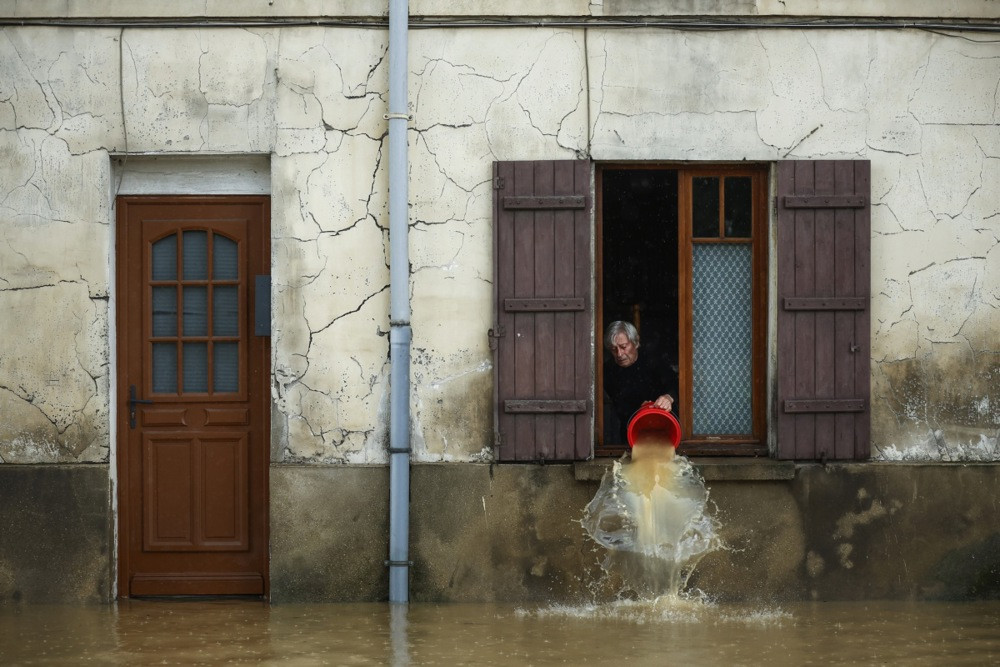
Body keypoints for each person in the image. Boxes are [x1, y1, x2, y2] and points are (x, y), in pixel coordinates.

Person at [603, 320, 677, 444]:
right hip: (632, 430)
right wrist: (641, 408)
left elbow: (676, 384)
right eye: (613, 349)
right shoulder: (608, 370)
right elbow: (620, 405)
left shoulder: (654, 360)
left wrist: (668, 397)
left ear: (636, 342)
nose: (619, 354)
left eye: (623, 347)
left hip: (664, 426)